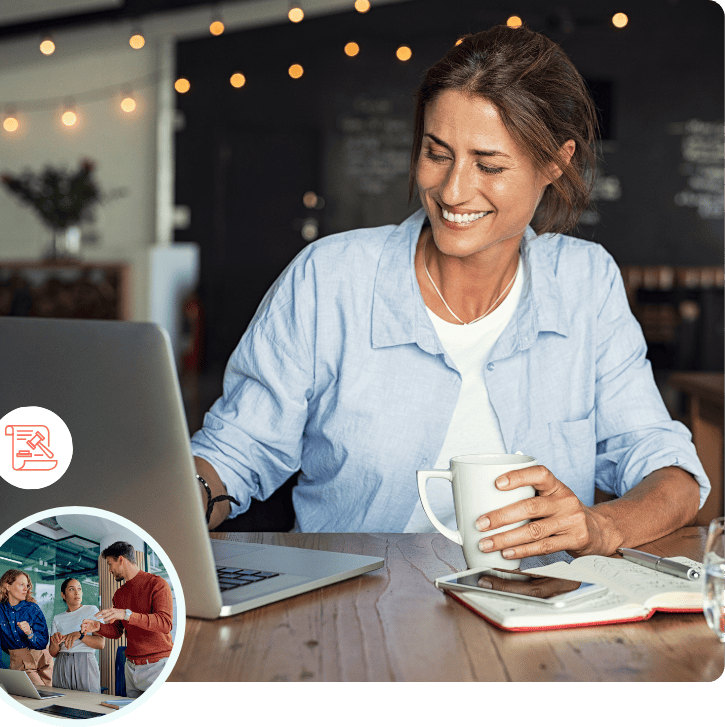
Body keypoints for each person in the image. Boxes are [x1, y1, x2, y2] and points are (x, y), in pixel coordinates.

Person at [189, 24, 709, 561]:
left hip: (540, 620)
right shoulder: (331, 278)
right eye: (437, 154)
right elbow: (235, 450)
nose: (453, 190)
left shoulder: (585, 283)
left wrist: (601, 527)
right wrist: (173, 504)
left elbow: (671, 474)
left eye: (489, 165)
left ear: (555, 163)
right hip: (353, 615)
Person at [80, 542, 173, 697]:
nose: (109, 570)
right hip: (130, 667)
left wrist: (127, 614)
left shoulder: (157, 584)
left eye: (110, 564)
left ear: (121, 560)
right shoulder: (119, 594)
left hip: (157, 666)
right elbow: (117, 631)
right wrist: (98, 627)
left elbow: (165, 623)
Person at [0, 568, 53, 685]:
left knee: (49, 694)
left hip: (42, 657)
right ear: (7, 586)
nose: (26, 589)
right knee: (36, 694)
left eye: (27, 585)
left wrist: (30, 633)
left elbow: (42, 642)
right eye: (21, 585)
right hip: (19, 658)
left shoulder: (33, 608)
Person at [48, 577, 105, 693]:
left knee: (89, 703)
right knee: (61, 702)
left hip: (84, 662)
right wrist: (54, 642)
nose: (77, 592)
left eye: (79, 589)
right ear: (63, 595)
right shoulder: (57, 618)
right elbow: (53, 653)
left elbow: (100, 643)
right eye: (71, 589)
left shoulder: (92, 610)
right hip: (61, 662)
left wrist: (80, 635)